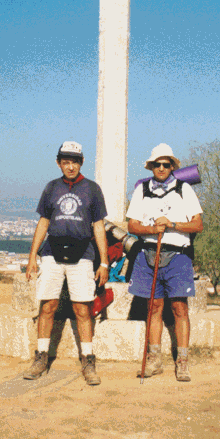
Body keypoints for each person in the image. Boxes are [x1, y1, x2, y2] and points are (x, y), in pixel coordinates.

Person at [25, 141, 110, 386]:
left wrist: (104, 262)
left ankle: (88, 358)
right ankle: (41, 356)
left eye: (74, 161)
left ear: (81, 162)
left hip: (83, 253)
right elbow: (43, 223)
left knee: (83, 309)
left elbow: (98, 226)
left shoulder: (92, 189)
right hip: (52, 252)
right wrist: (32, 257)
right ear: (58, 162)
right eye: (65, 161)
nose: (70, 166)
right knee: (48, 306)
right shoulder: (51, 188)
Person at [125, 143, 203, 381]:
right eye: (157, 164)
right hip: (148, 252)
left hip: (178, 254)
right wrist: (151, 228)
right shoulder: (142, 190)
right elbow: (132, 225)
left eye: (165, 164)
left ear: (172, 166)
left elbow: (197, 224)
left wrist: (171, 224)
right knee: (154, 308)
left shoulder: (184, 189)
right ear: (151, 166)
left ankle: (182, 361)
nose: (161, 168)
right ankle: (155, 359)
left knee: (179, 308)